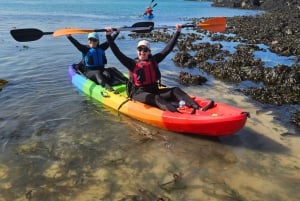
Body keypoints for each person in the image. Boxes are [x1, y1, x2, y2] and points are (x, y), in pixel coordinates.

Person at [105, 24, 201, 113]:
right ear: (137, 51)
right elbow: (117, 52)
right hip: (138, 93)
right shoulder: (132, 64)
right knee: (156, 98)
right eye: (140, 49)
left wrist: (178, 31)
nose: (142, 52)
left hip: (154, 90)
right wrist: (109, 36)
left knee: (175, 90)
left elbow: (168, 49)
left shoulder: (154, 60)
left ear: (149, 52)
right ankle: (177, 114)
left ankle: (198, 108)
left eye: (145, 50)